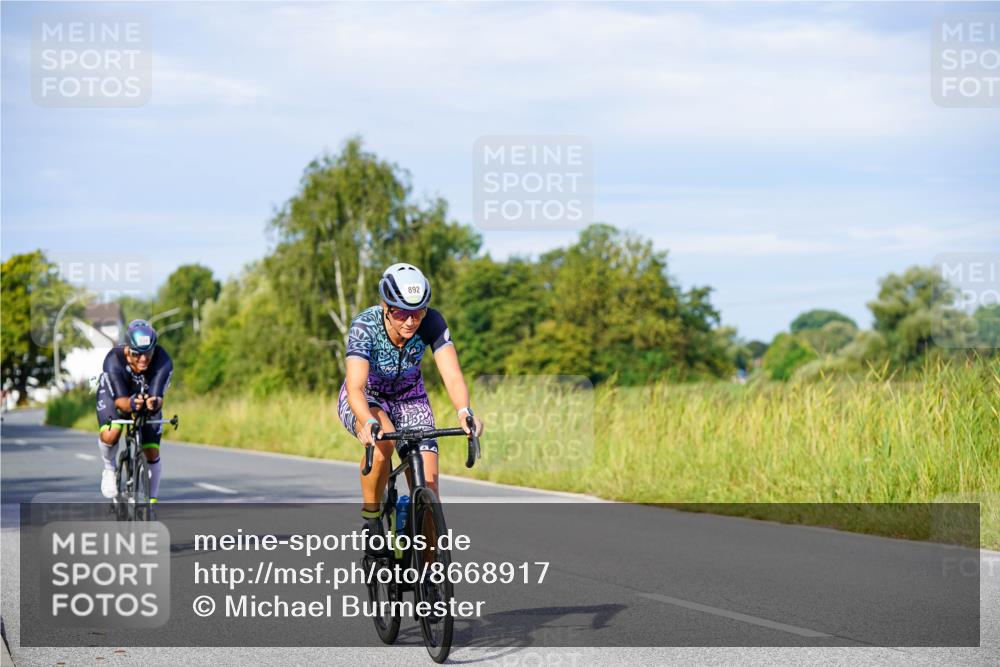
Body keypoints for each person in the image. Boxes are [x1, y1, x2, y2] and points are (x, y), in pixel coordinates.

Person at [338, 263, 484, 553]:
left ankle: (430, 577)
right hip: (368, 398)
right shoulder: (365, 326)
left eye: (418, 311)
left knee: (429, 488)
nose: (410, 321)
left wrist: (464, 411)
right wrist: (366, 421)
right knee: (384, 447)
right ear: (385, 306)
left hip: (410, 398)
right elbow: (355, 387)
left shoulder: (432, 322)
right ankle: (373, 519)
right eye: (401, 312)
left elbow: (452, 375)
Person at [96, 319, 173, 502]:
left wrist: (153, 404)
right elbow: (120, 401)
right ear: (127, 350)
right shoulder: (113, 360)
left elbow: (158, 398)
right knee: (111, 433)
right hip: (116, 395)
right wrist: (131, 404)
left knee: (152, 450)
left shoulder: (163, 360)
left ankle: (152, 502)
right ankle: (109, 468)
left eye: (148, 353)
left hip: (143, 395)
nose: (144, 359)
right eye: (137, 354)